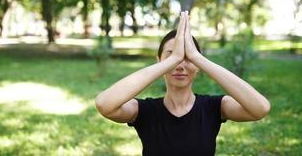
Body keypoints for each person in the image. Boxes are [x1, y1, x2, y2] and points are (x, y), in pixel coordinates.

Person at [95, 11, 271, 156]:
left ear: (199, 65)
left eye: (187, 58)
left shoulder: (214, 107)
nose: (179, 65)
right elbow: (104, 104)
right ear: (160, 62)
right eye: (171, 55)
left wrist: (196, 57)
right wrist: (173, 60)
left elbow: (260, 108)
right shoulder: (143, 111)